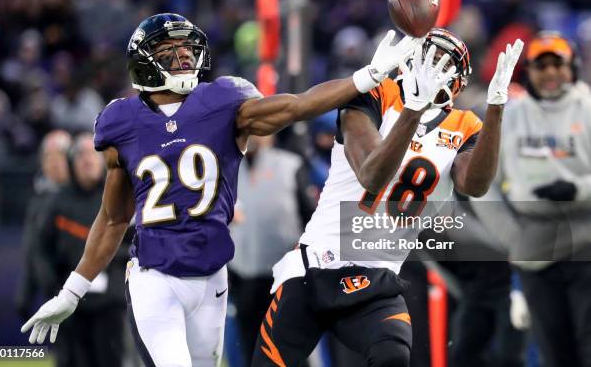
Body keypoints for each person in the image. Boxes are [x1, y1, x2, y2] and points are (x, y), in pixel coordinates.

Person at [21, 13, 423, 367]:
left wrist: (366, 77)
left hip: (213, 278)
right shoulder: (121, 123)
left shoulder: (223, 101)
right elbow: (113, 218)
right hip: (154, 278)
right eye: (170, 50)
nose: (183, 57)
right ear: (144, 62)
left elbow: (296, 106)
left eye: (186, 49)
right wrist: (73, 291)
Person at [252, 28, 524, 367]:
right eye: (430, 56)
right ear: (410, 59)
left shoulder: (465, 124)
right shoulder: (376, 94)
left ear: (459, 83)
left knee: (392, 354)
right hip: (316, 265)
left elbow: (475, 184)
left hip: (377, 276)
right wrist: (412, 108)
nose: (436, 67)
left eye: (447, 63)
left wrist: (495, 108)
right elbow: (372, 174)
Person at [472, 31, 591, 367]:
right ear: (529, 71)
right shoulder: (509, 117)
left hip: (586, 239)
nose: (551, 73)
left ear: (573, 67)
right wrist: (511, 235)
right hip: (534, 248)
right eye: (542, 65)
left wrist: (578, 190)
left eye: (559, 64)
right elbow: (482, 185)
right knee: (553, 349)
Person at [32, 133, 128, 367]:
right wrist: (52, 287)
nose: (88, 161)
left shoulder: (119, 195)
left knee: (112, 360)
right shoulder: (57, 202)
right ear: (71, 163)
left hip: (110, 302)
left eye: (93, 155)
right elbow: (40, 249)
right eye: (81, 155)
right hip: (70, 303)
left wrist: (115, 269)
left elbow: (134, 243)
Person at [228, 134, 313, 364]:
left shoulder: (290, 164)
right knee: (251, 348)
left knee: (289, 347)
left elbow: (310, 217)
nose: (253, 136)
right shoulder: (227, 168)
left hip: (285, 276)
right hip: (243, 275)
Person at [16, 129, 71, 320]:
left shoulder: (96, 195)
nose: (54, 162)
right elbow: (32, 251)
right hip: (56, 292)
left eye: (61, 155)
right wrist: (25, 295)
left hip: (95, 296)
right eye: (48, 156)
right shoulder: (38, 203)